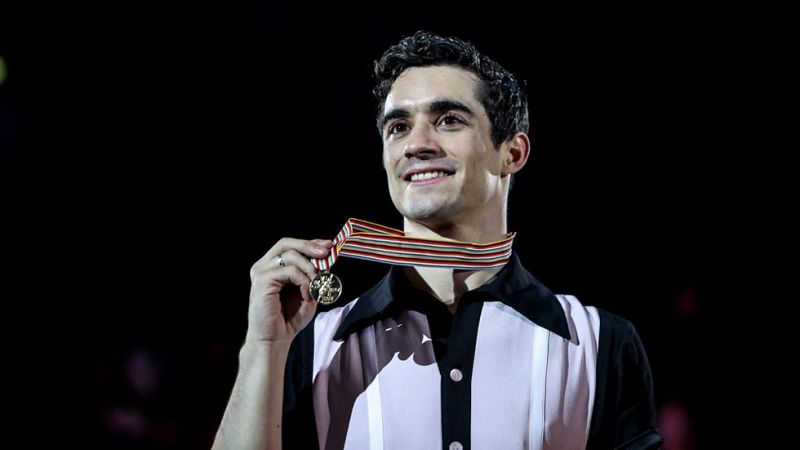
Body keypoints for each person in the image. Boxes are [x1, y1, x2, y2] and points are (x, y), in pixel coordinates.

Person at [212, 31, 662, 450]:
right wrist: (263, 349)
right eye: (398, 127)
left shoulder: (600, 343)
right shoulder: (314, 347)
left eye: (448, 120)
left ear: (513, 152)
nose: (416, 144)